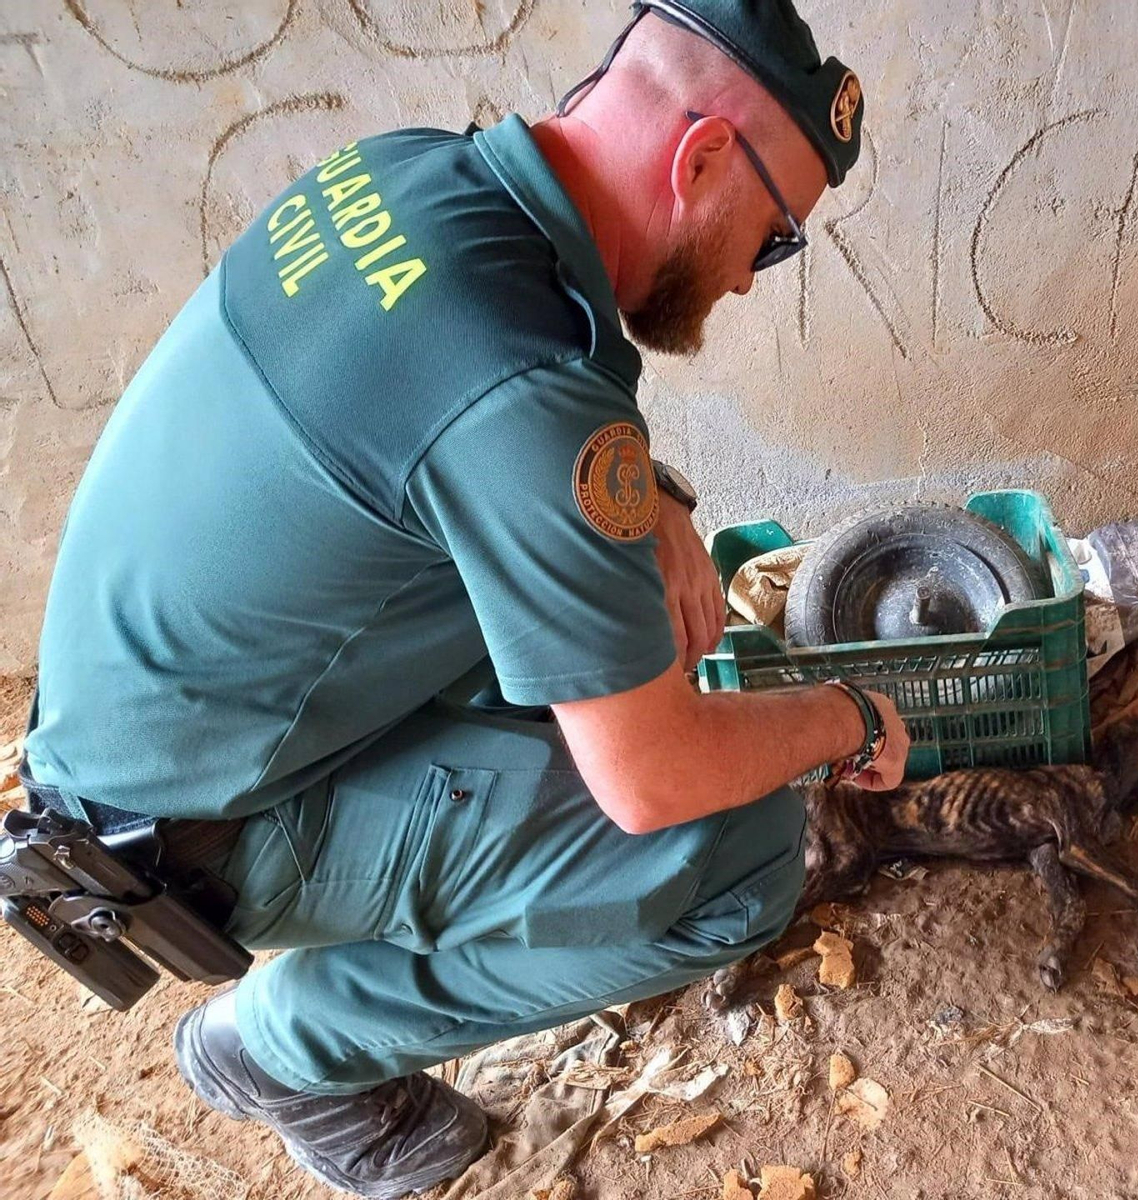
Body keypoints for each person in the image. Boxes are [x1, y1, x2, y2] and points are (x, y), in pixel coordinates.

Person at [17, 2, 907, 1195]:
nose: (750, 277)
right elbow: (652, 781)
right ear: (700, 159)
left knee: (613, 641)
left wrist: (656, 500)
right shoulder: (527, 385)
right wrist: (848, 717)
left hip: (142, 729)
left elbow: (448, 417)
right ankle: (287, 1050)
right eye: (775, 233)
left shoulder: (409, 175)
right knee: (736, 850)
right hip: (194, 832)